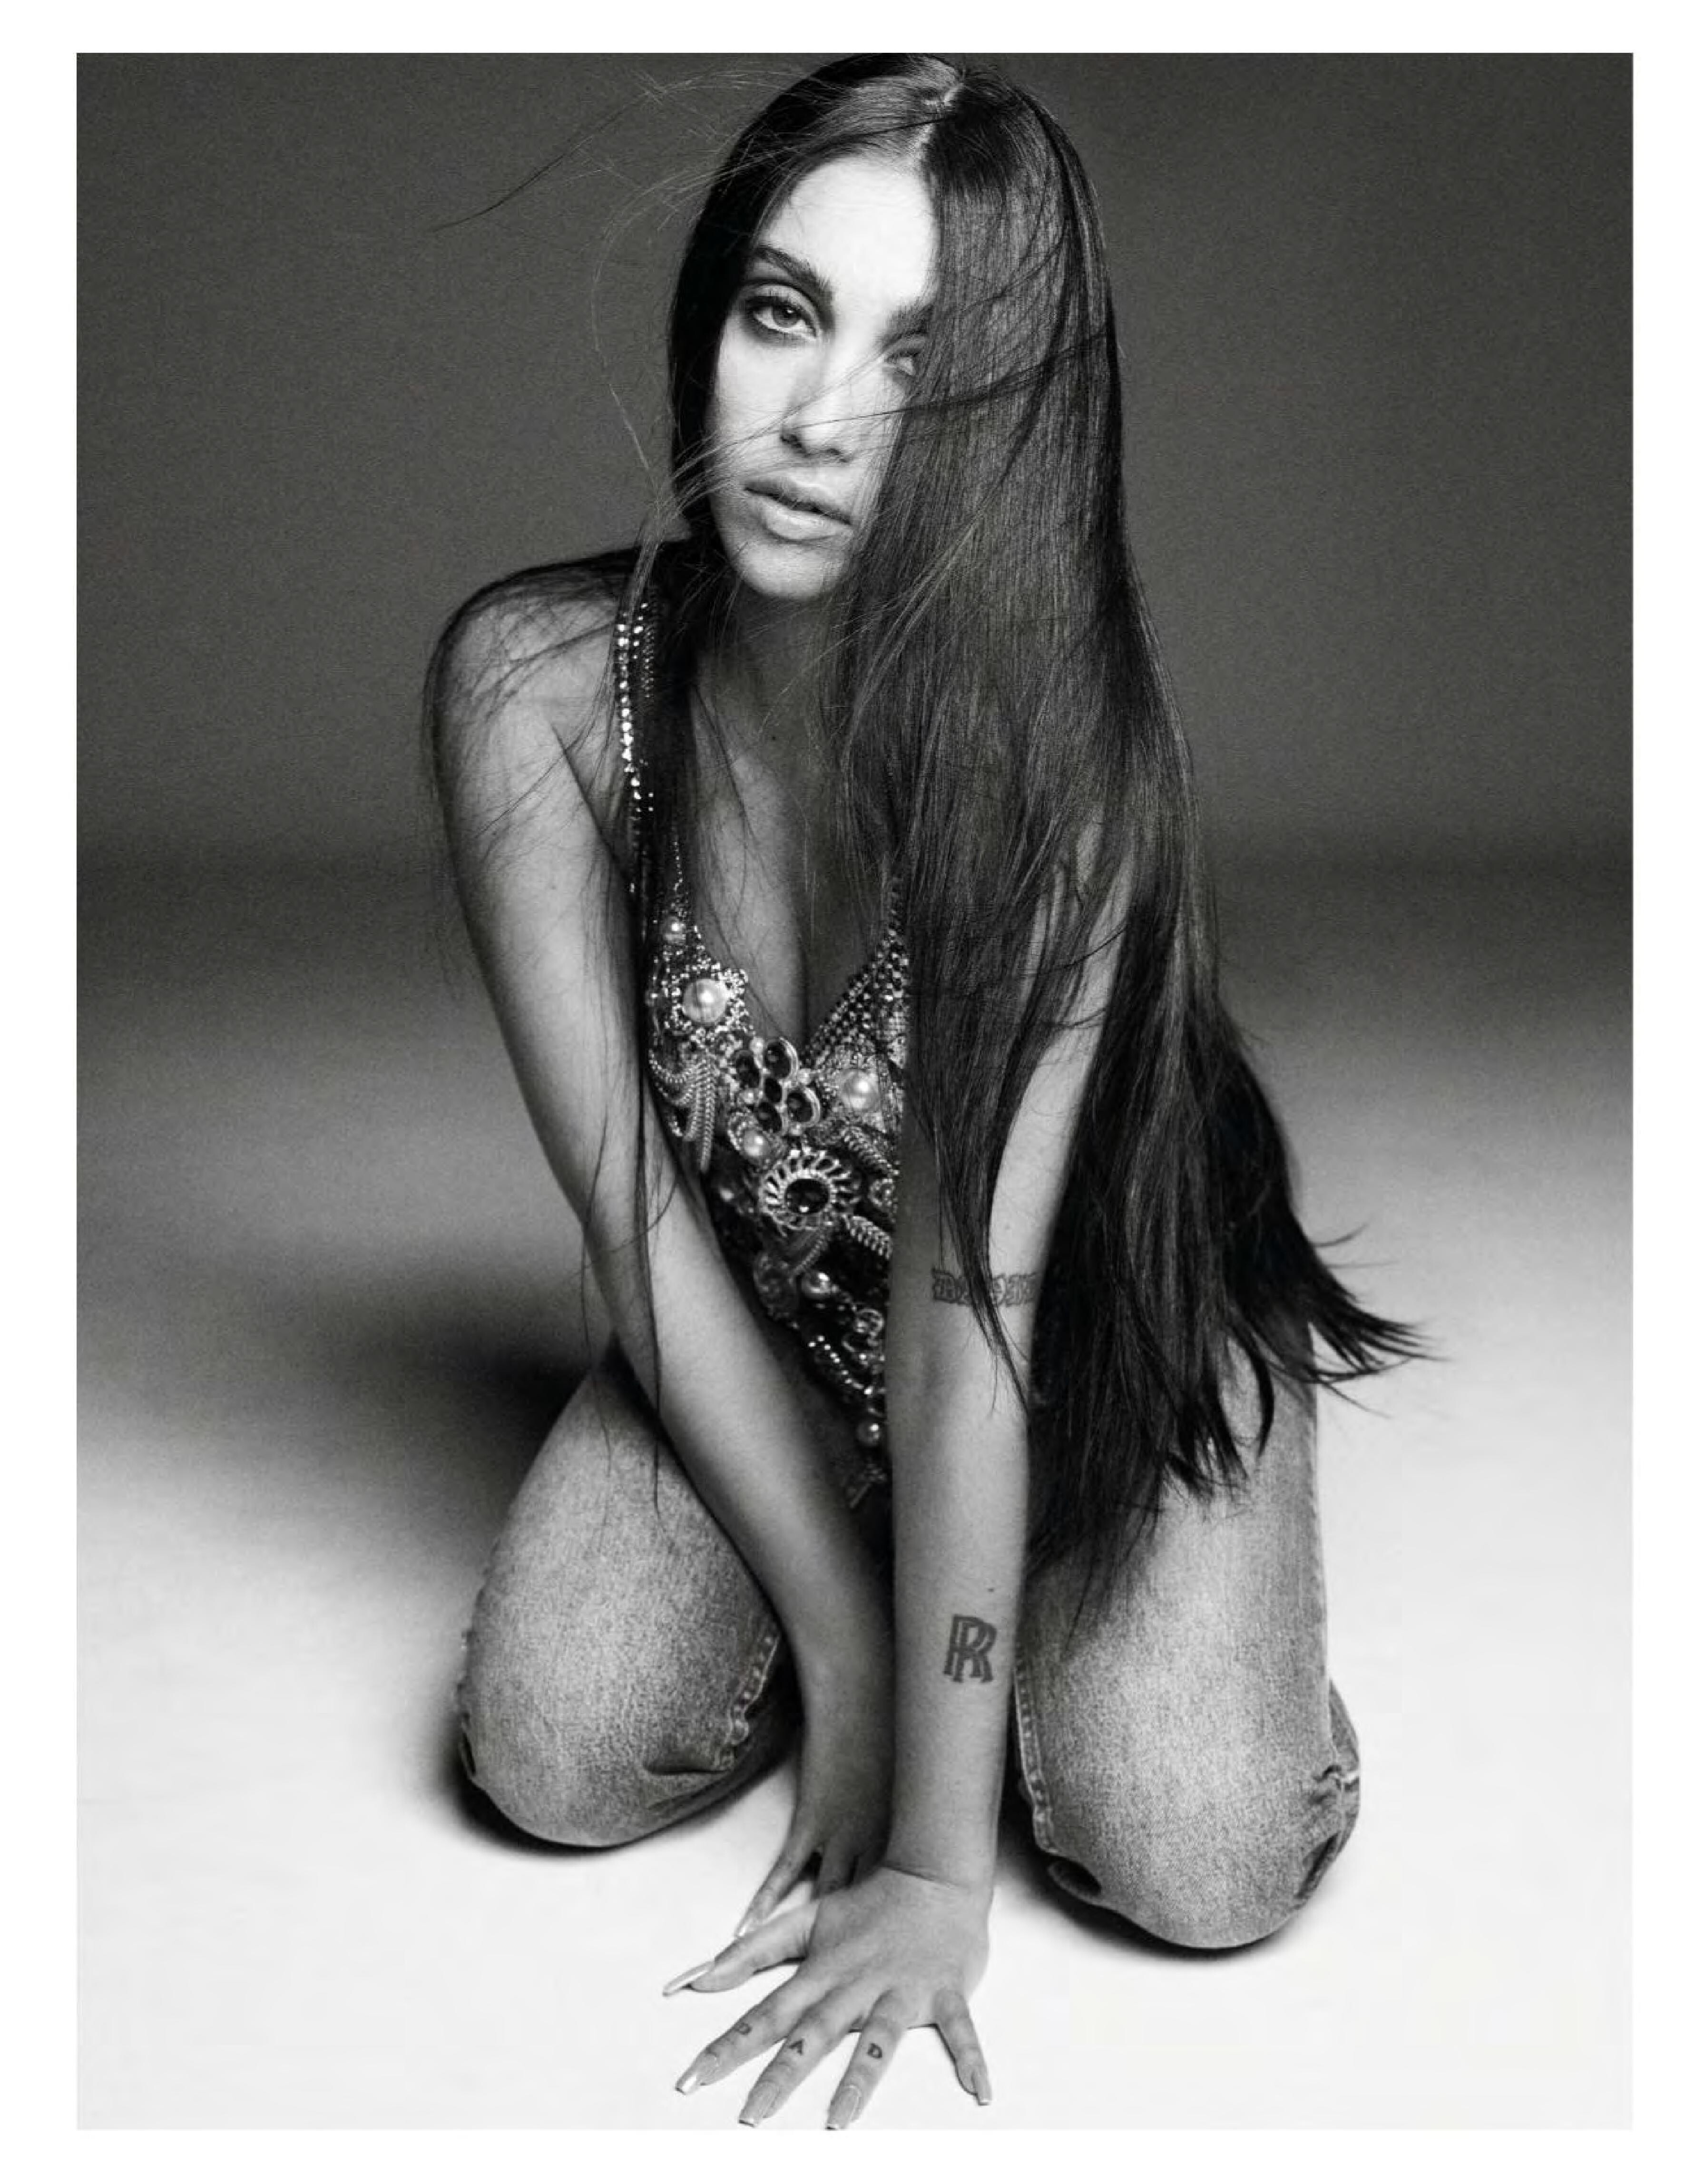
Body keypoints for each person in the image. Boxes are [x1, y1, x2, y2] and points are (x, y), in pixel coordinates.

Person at [427, 53, 1417, 2129]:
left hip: (1083, 1323)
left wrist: (934, 1861)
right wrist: (852, 1657)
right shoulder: (539, 690)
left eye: (924, 366)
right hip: (773, 1316)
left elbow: (975, 1336)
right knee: (552, 1757)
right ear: (709, 314)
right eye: (782, 312)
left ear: (1013, 421)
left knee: (1197, 1856)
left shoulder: (1057, 785)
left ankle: (1201, 1491)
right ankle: (885, 1556)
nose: (817, 420)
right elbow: (631, 1210)